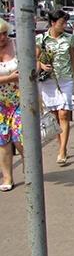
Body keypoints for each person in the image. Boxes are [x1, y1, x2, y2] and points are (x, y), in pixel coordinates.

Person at [36, 10, 74, 165]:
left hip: (66, 79)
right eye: (62, 23)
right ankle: (60, 144)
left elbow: (73, 60)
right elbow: (35, 59)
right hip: (48, 81)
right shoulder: (41, 39)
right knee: (54, 116)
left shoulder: (69, 38)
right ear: (53, 23)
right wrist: (42, 65)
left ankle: (62, 149)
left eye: (65, 22)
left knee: (64, 113)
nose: (64, 25)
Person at [0, 17, 23, 191]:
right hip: (1, 104)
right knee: (3, 141)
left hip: (20, 100)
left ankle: (30, 168)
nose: (2, 37)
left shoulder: (16, 45)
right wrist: (10, 78)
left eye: (4, 33)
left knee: (20, 138)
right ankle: (7, 177)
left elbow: (33, 63)